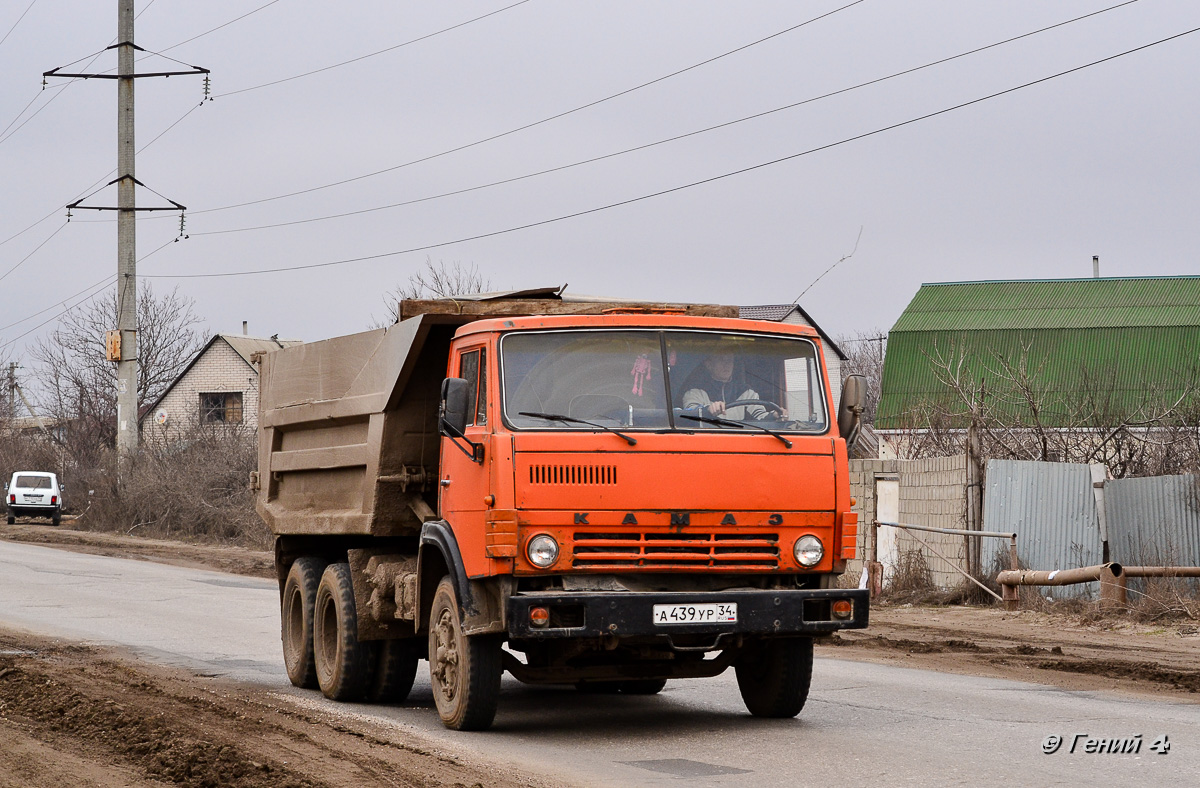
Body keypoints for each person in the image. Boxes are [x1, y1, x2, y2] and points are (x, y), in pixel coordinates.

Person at [680, 351, 784, 421]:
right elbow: (689, 416)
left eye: (730, 360)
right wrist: (707, 410)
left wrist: (774, 416)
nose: (727, 364)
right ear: (709, 365)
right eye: (721, 359)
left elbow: (760, 417)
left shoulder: (746, 392)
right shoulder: (695, 392)